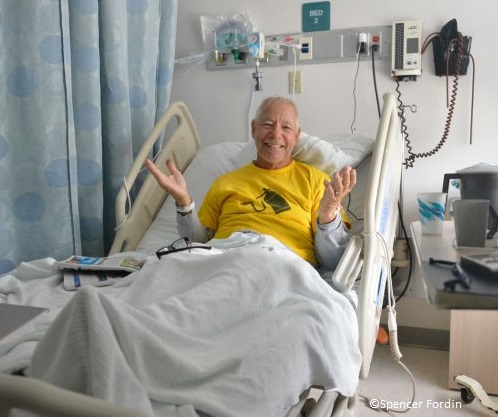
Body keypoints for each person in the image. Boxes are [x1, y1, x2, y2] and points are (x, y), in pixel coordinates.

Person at [145, 96, 356, 270]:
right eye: (267, 124)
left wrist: (328, 216)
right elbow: (199, 242)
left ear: (297, 136)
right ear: (254, 129)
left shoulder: (317, 182)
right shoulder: (225, 182)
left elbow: (334, 262)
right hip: (224, 260)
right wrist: (183, 201)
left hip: (285, 265)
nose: (276, 134)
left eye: (286, 127)